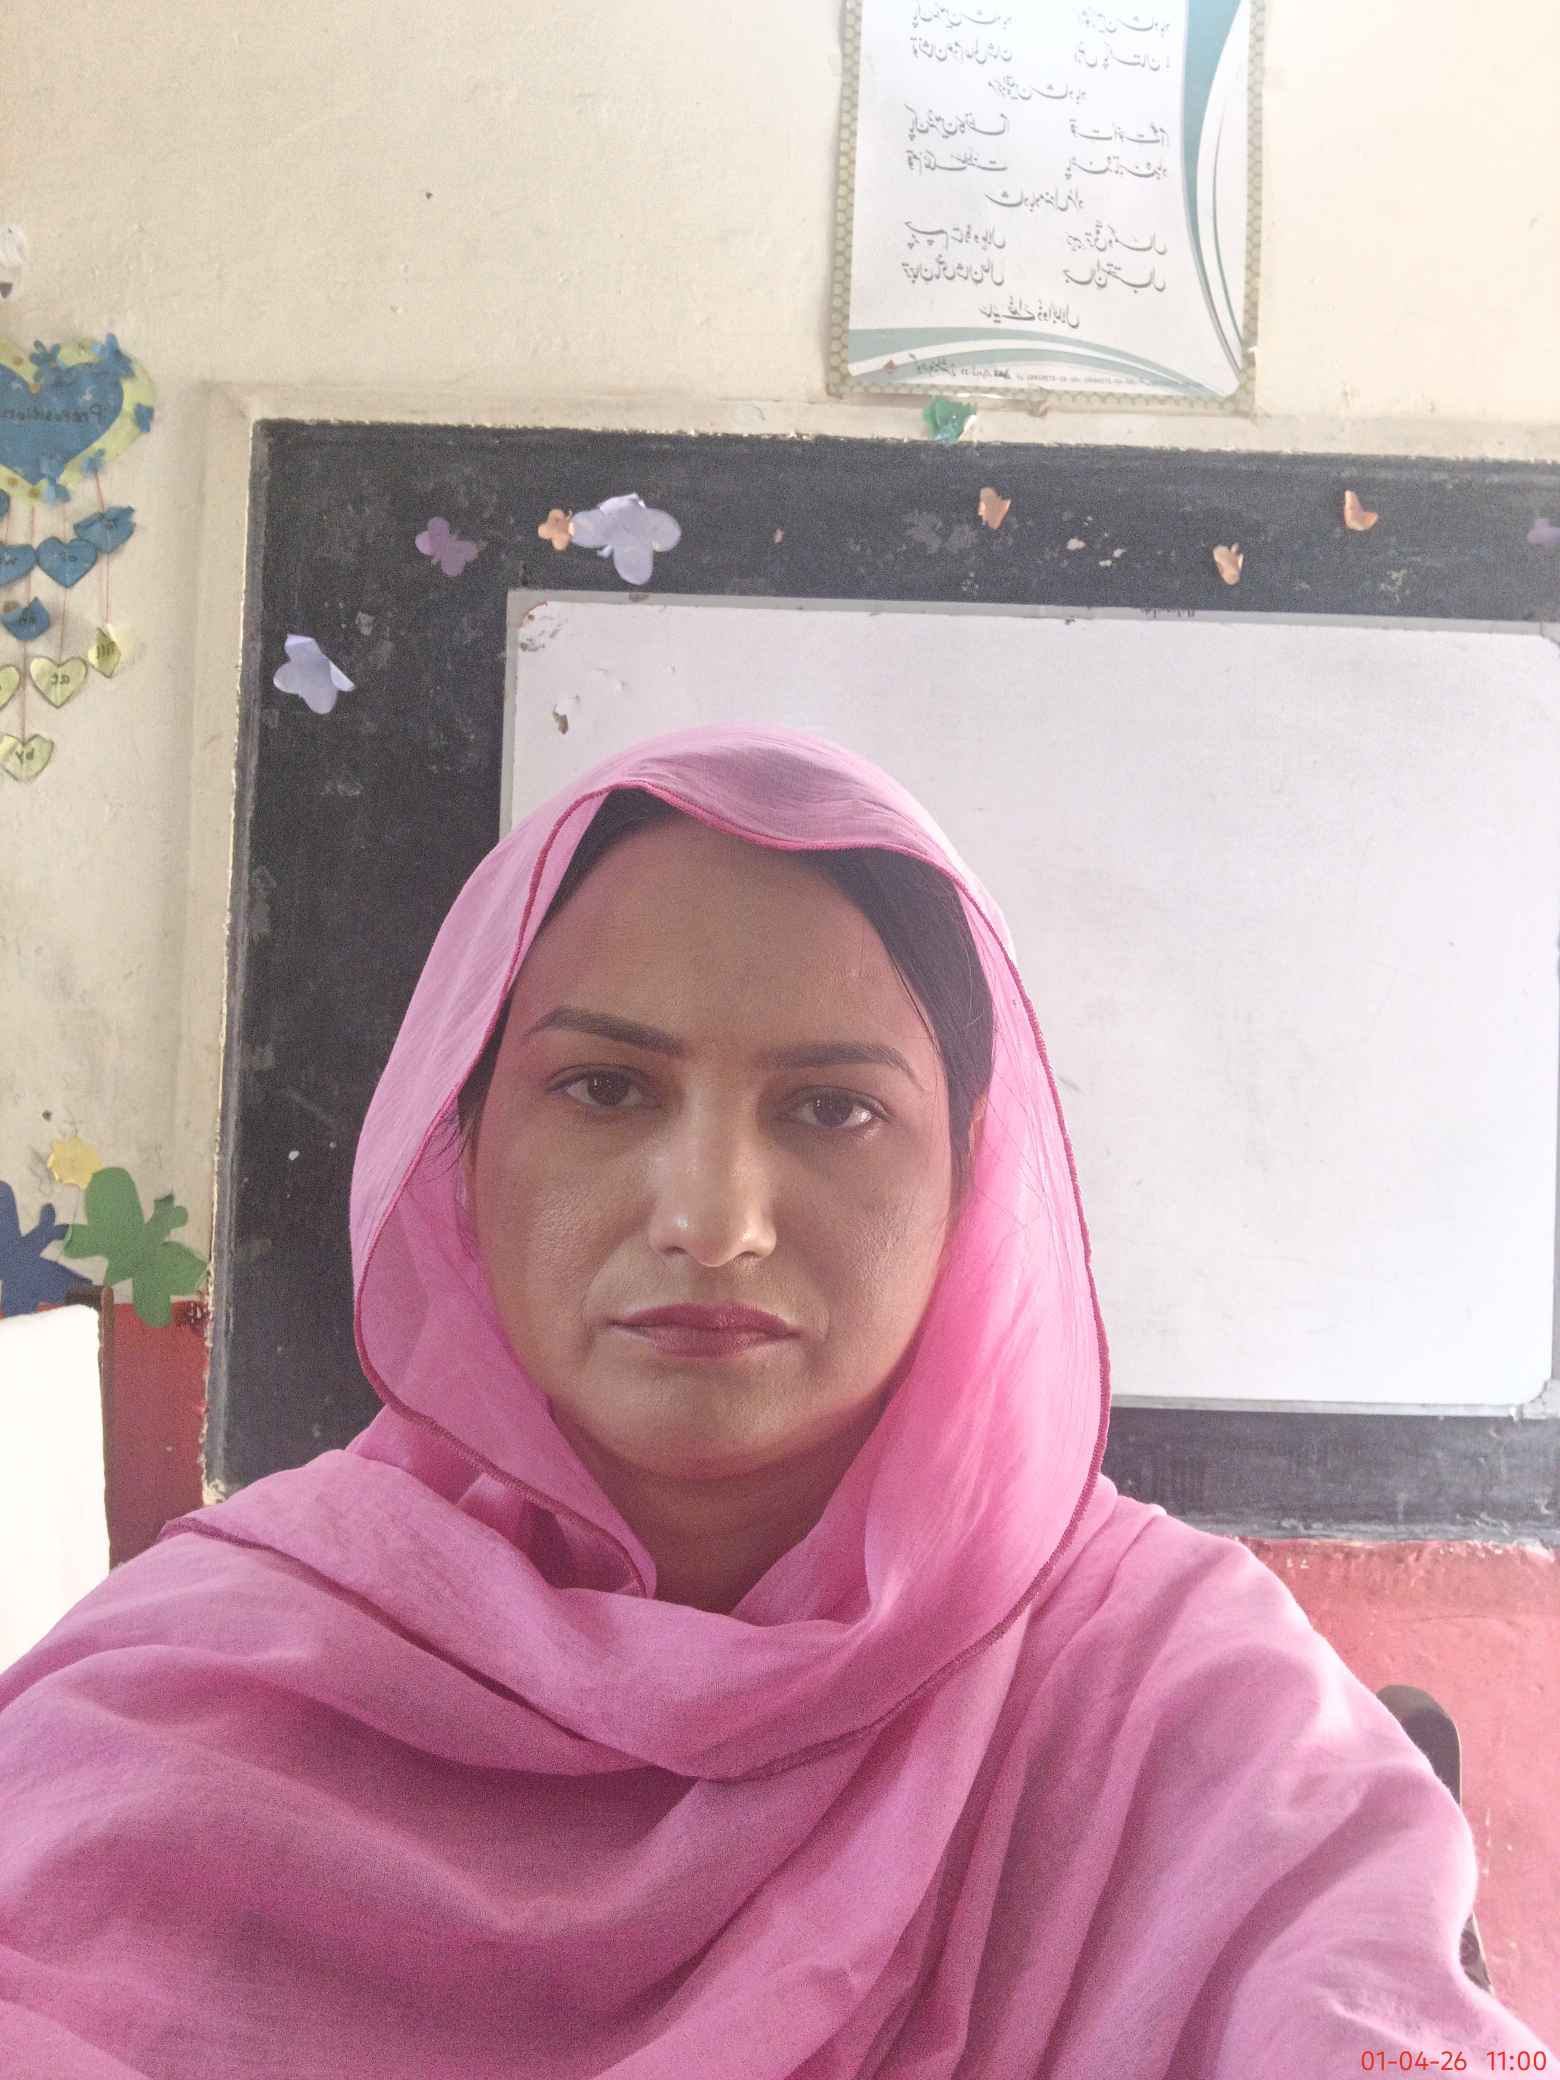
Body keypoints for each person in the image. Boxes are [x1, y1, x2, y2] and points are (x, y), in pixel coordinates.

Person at [0, 723, 1550, 2077]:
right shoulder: (208, 1677)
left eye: (831, 1108)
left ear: (971, 1179)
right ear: (461, 1151)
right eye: (606, 1089)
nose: (712, 1218)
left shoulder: (1175, 1697)